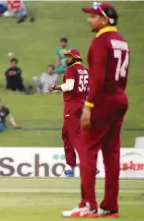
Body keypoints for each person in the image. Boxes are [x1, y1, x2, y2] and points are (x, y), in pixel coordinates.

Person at [62, 3, 129, 218]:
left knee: (88, 151)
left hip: (102, 101)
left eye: (93, 16)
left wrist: (89, 106)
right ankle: (110, 206)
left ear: (105, 19)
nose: (89, 20)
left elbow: (97, 78)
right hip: (120, 99)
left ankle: (88, 204)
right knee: (112, 154)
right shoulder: (123, 42)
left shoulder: (101, 41)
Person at [47, 49, 89, 177]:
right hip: (82, 103)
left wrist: (54, 87)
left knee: (75, 136)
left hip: (72, 105)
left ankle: (88, 164)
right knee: (66, 134)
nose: (66, 59)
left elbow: (69, 86)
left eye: (69, 56)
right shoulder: (85, 70)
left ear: (76, 57)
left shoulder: (71, 70)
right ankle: (69, 166)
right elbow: (89, 88)